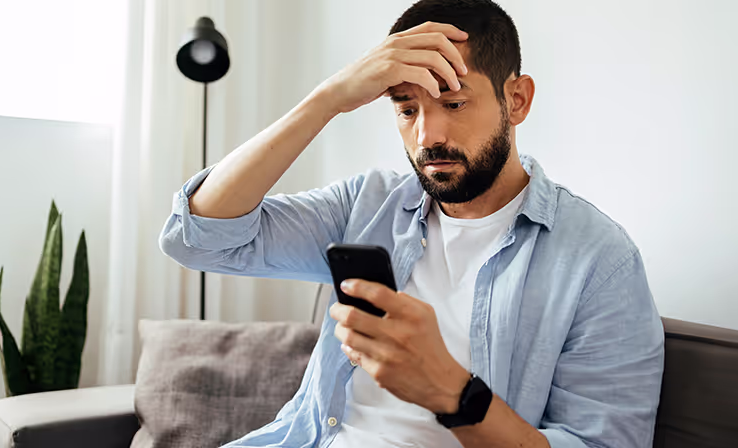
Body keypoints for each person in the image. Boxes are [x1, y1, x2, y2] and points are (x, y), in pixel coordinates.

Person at [160, 0, 664, 446]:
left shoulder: (599, 262)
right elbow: (199, 238)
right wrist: (330, 98)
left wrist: (449, 390)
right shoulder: (369, 204)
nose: (428, 135)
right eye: (406, 108)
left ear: (517, 100)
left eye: (454, 102)